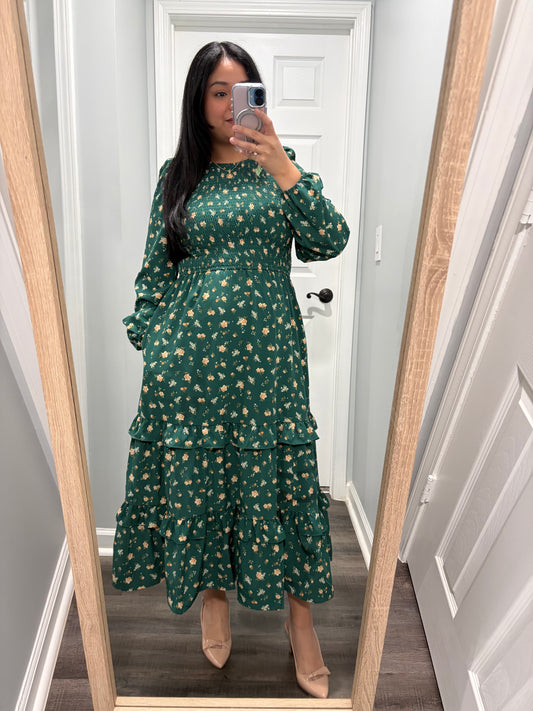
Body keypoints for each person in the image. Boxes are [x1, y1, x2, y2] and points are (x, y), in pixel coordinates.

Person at [112, 41, 349, 698]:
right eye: (217, 92)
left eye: (241, 92)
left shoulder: (280, 166)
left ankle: (301, 625)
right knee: (207, 482)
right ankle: (213, 600)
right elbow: (153, 275)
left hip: (269, 365)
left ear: (257, 100)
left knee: (283, 485)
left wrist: (281, 165)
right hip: (189, 367)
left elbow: (329, 239)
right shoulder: (176, 176)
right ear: (198, 100)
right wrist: (154, 342)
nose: (228, 105)